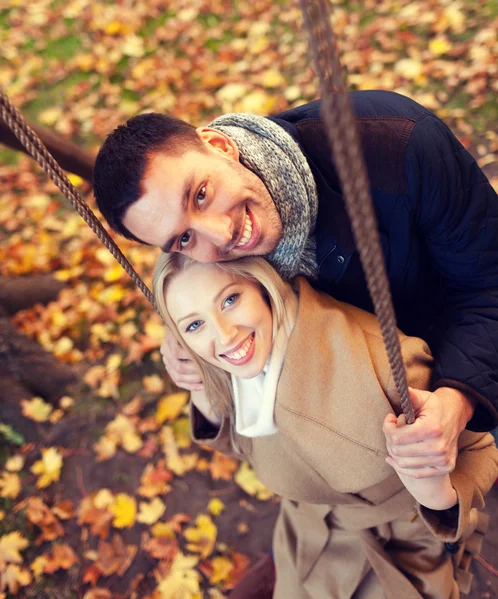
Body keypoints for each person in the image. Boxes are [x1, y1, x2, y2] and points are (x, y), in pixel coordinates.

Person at [93, 90, 498, 480]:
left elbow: (489, 284)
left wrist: (458, 400)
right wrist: (183, 338)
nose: (221, 234)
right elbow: (190, 295)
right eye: (183, 238)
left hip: (470, 356)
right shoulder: (206, 263)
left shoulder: (398, 143)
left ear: (218, 145)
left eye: (201, 195)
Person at [151, 252, 498, 599]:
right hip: (303, 534)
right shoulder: (238, 369)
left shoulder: (379, 364)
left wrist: (435, 493)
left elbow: (479, 449)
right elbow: (248, 448)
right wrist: (201, 387)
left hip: (402, 547)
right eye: (194, 325)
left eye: (230, 299)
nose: (224, 335)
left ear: (260, 284)